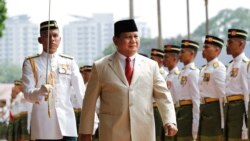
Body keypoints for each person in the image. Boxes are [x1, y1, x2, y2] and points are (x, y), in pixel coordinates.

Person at [79, 19, 177, 141]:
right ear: (115, 40)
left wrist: (170, 120)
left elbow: (163, 96)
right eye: (128, 37)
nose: (133, 41)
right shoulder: (101, 66)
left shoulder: (151, 66)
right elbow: (89, 101)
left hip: (143, 131)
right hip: (113, 132)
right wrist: (86, 131)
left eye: (136, 36)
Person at [22, 20, 85, 141]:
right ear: (40, 40)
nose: (52, 39)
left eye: (55, 36)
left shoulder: (69, 62)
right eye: (47, 36)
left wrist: (92, 120)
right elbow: (27, 94)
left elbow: (82, 93)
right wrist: (39, 91)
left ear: (60, 39)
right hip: (43, 126)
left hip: (67, 124)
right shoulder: (31, 63)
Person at [198, 35, 226, 140]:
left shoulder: (219, 68)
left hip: (214, 112)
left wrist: (223, 123)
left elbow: (223, 96)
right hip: (204, 110)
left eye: (206, 47)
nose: (203, 50)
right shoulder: (204, 69)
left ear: (217, 50)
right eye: (203, 47)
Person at [224, 29, 249, 140]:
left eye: (230, 42)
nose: (227, 45)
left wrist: (246, 124)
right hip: (229, 109)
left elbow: (247, 94)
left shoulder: (246, 64)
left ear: (240, 43)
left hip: (240, 111)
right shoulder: (230, 65)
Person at [176, 40, 200, 141]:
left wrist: (195, 126)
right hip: (181, 111)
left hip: (188, 114)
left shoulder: (193, 73)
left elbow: (196, 99)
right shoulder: (182, 72)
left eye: (182, 52)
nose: (179, 54)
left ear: (191, 54)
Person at [150, 48, 169, 141]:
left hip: (158, 109)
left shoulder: (165, 75)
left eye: (153, 58)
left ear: (161, 60)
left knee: (157, 136)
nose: (150, 60)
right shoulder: (149, 73)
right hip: (149, 109)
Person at [163, 44, 181, 141]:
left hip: (175, 113)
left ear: (174, 59)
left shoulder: (178, 76)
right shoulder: (167, 76)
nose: (163, 59)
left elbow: (177, 98)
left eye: (166, 57)